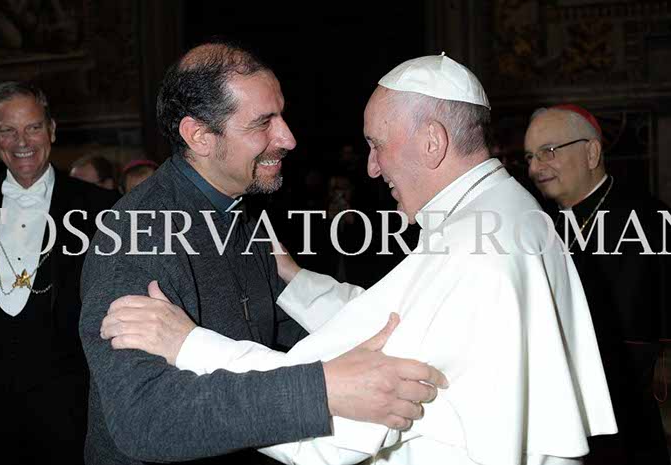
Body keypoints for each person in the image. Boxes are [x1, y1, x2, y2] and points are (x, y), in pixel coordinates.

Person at [101, 54, 618, 465]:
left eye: (377, 144)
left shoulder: (474, 251)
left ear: (432, 142)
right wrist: (298, 282)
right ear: (199, 134)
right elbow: (394, 318)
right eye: (264, 122)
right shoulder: (505, 212)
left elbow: (331, 434)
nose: (370, 167)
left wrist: (190, 345)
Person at [78, 40, 445, 465]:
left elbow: (277, 332)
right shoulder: (136, 234)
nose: (288, 138)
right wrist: (321, 391)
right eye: (262, 123)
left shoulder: (244, 212)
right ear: (199, 136)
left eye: (281, 116)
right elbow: (145, 418)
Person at [0, 81, 118, 465]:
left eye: (33, 127)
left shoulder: (101, 209)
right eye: (8, 130)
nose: (22, 141)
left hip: (69, 411)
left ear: (51, 130)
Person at [524, 104, 671, 465]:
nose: (535, 168)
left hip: (631, 393)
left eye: (548, 152)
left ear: (591, 152)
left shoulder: (649, 217)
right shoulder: (536, 223)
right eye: (530, 157)